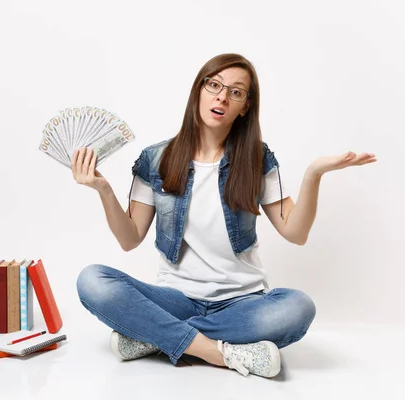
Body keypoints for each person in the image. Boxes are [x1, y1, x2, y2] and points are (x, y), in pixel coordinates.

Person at [71, 53, 377, 378]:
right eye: (214, 85)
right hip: (175, 297)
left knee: (298, 307)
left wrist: (314, 174)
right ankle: (218, 352)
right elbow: (129, 238)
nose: (222, 97)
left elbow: (295, 232)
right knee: (92, 281)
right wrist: (104, 190)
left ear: (245, 106)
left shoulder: (256, 158)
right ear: (199, 91)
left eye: (236, 91)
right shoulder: (156, 159)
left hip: (241, 303)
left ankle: (156, 337)